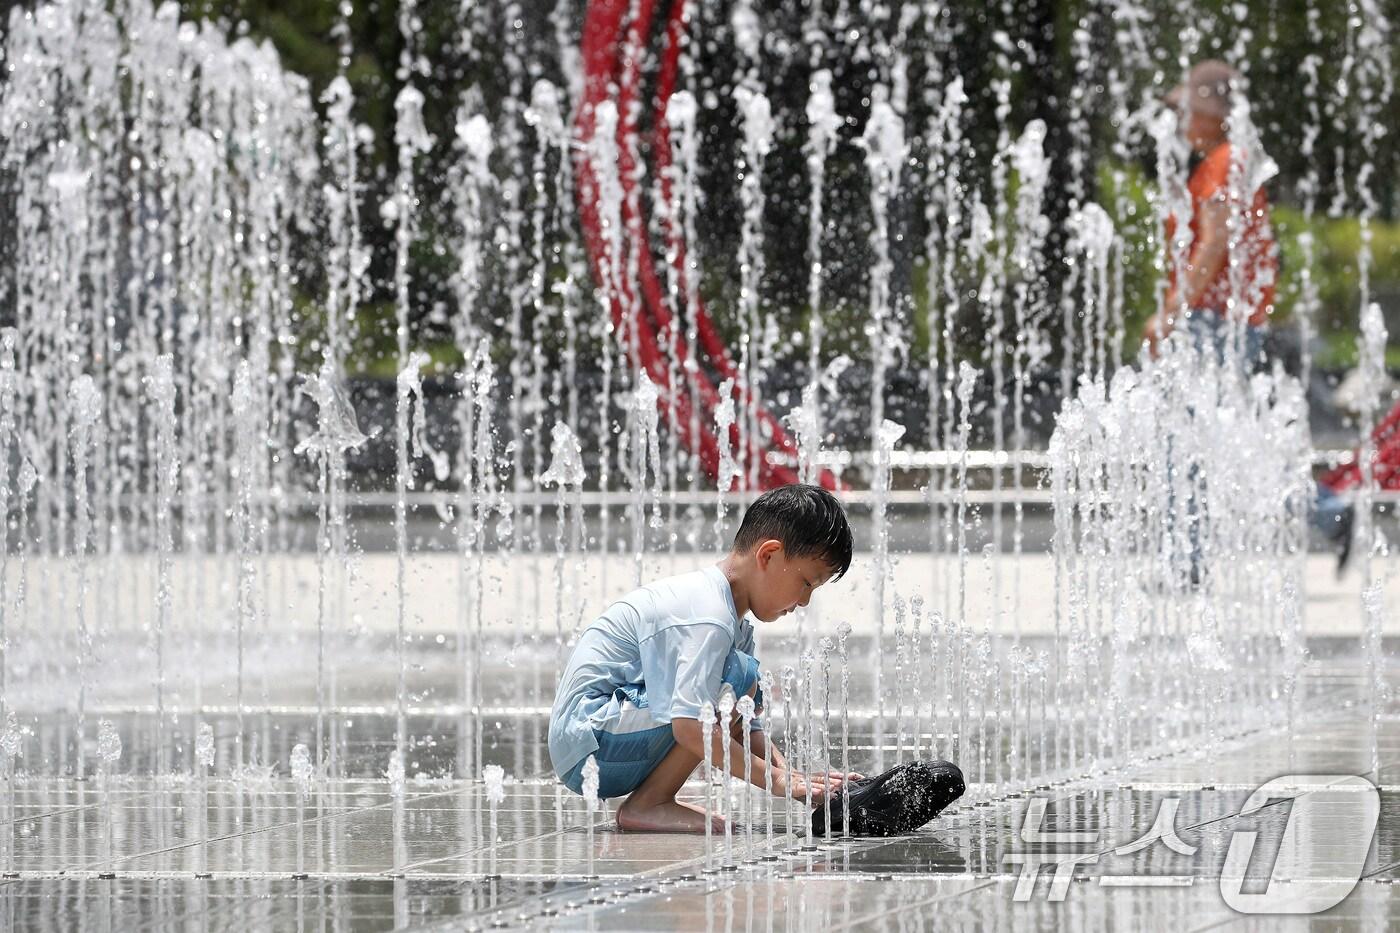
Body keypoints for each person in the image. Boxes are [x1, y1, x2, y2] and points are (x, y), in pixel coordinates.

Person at [548, 484, 859, 833]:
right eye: (805, 583)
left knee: (740, 684)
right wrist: (776, 781)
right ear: (768, 555)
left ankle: (651, 799)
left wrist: (794, 779)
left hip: (592, 744)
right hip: (589, 740)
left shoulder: (734, 624)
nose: (804, 602)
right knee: (737, 681)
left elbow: (743, 725)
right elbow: (689, 726)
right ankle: (650, 803)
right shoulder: (708, 615)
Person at [1143, 61, 1350, 572]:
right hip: (1222, 322)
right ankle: (1325, 513)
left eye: (1184, 110)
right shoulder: (1225, 161)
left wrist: (1171, 312)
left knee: (1189, 442)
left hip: (1213, 324)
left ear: (1209, 114)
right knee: (1218, 440)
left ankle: (1188, 564)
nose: (1177, 121)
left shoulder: (1225, 161)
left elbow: (1213, 245)